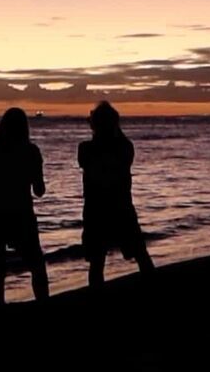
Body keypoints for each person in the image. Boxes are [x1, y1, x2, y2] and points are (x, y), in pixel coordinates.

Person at [0, 107, 50, 307]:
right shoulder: (31, 152)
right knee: (36, 265)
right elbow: (39, 190)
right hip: (20, 215)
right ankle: (44, 307)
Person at [78, 101, 154, 286]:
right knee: (140, 254)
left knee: (97, 262)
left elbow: (89, 164)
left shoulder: (86, 149)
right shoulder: (124, 147)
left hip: (97, 210)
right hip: (121, 207)